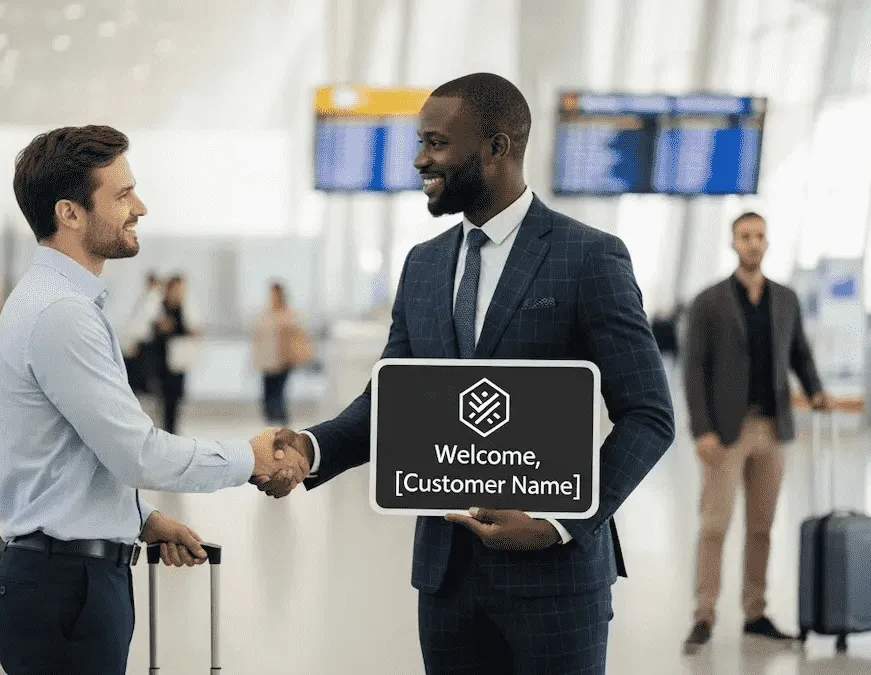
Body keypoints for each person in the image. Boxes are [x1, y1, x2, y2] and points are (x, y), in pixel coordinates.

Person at [255, 73, 675, 675]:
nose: (420, 160)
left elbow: (649, 415)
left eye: (437, 143)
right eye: (421, 143)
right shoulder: (423, 266)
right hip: (447, 580)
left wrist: (560, 522)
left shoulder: (587, 257)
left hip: (555, 582)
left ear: (497, 147)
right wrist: (310, 448)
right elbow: (391, 400)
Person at [0, 125, 303, 675]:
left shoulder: (57, 302)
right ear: (70, 213)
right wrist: (249, 457)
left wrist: (141, 518)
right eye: (123, 194)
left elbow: (70, 459)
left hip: (67, 579)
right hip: (66, 590)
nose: (140, 207)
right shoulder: (61, 314)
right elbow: (138, 454)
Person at [681, 211, 827, 654]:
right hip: (726, 432)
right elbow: (694, 369)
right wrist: (701, 430)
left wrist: (816, 390)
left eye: (759, 236)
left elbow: (799, 353)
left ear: (767, 242)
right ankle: (704, 614)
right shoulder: (708, 302)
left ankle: (755, 612)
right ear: (733, 243)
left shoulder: (785, 299)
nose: (752, 243)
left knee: (761, 527)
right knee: (714, 525)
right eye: (745, 236)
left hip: (772, 428)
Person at [251, 281, 308, 425]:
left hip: (283, 360)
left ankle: (281, 423)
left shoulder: (289, 315)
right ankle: (270, 423)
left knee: (279, 393)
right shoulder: (265, 315)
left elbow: (298, 334)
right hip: (267, 362)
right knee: (267, 394)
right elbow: (258, 339)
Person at [148, 274, 198, 434]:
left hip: (178, 360)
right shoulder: (159, 306)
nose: (179, 292)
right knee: (162, 398)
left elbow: (190, 329)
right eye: (176, 289)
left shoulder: (184, 308)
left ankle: (171, 432)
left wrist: (192, 331)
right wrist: (159, 327)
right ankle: (163, 431)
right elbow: (148, 328)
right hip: (161, 360)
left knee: (176, 398)